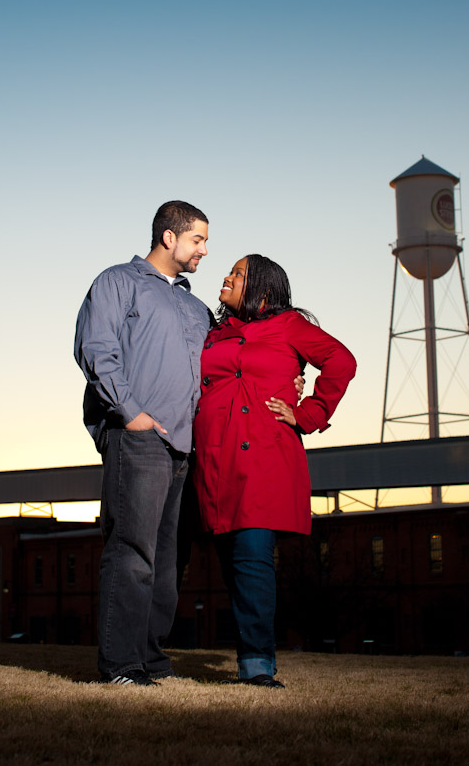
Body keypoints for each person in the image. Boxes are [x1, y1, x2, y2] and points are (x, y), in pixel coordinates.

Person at [193, 254, 357, 688]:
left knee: (252, 559)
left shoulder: (288, 327)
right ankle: (251, 656)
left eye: (238, 273)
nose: (226, 277)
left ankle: (257, 665)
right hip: (213, 459)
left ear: (263, 289)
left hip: (263, 456)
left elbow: (342, 362)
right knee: (231, 566)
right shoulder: (214, 332)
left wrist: (309, 412)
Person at [74, 201, 212, 686]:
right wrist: (131, 414)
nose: (204, 251)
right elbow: (95, 349)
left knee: (169, 561)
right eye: (198, 240)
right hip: (139, 440)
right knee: (132, 551)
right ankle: (122, 665)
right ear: (169, 238)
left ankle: (152, 659)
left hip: (186, 447)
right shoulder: (118, 282)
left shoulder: (198, 308)